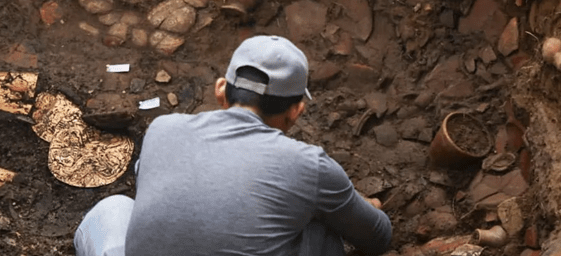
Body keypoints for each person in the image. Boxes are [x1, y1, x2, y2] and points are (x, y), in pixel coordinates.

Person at [74, 35, 392, 256]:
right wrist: (361, 205)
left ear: (221, 90)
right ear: (296, 111)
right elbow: (377, 237)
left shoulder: (163, 128)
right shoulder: (310, 167)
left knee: (113, 209)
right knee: (319, 222)